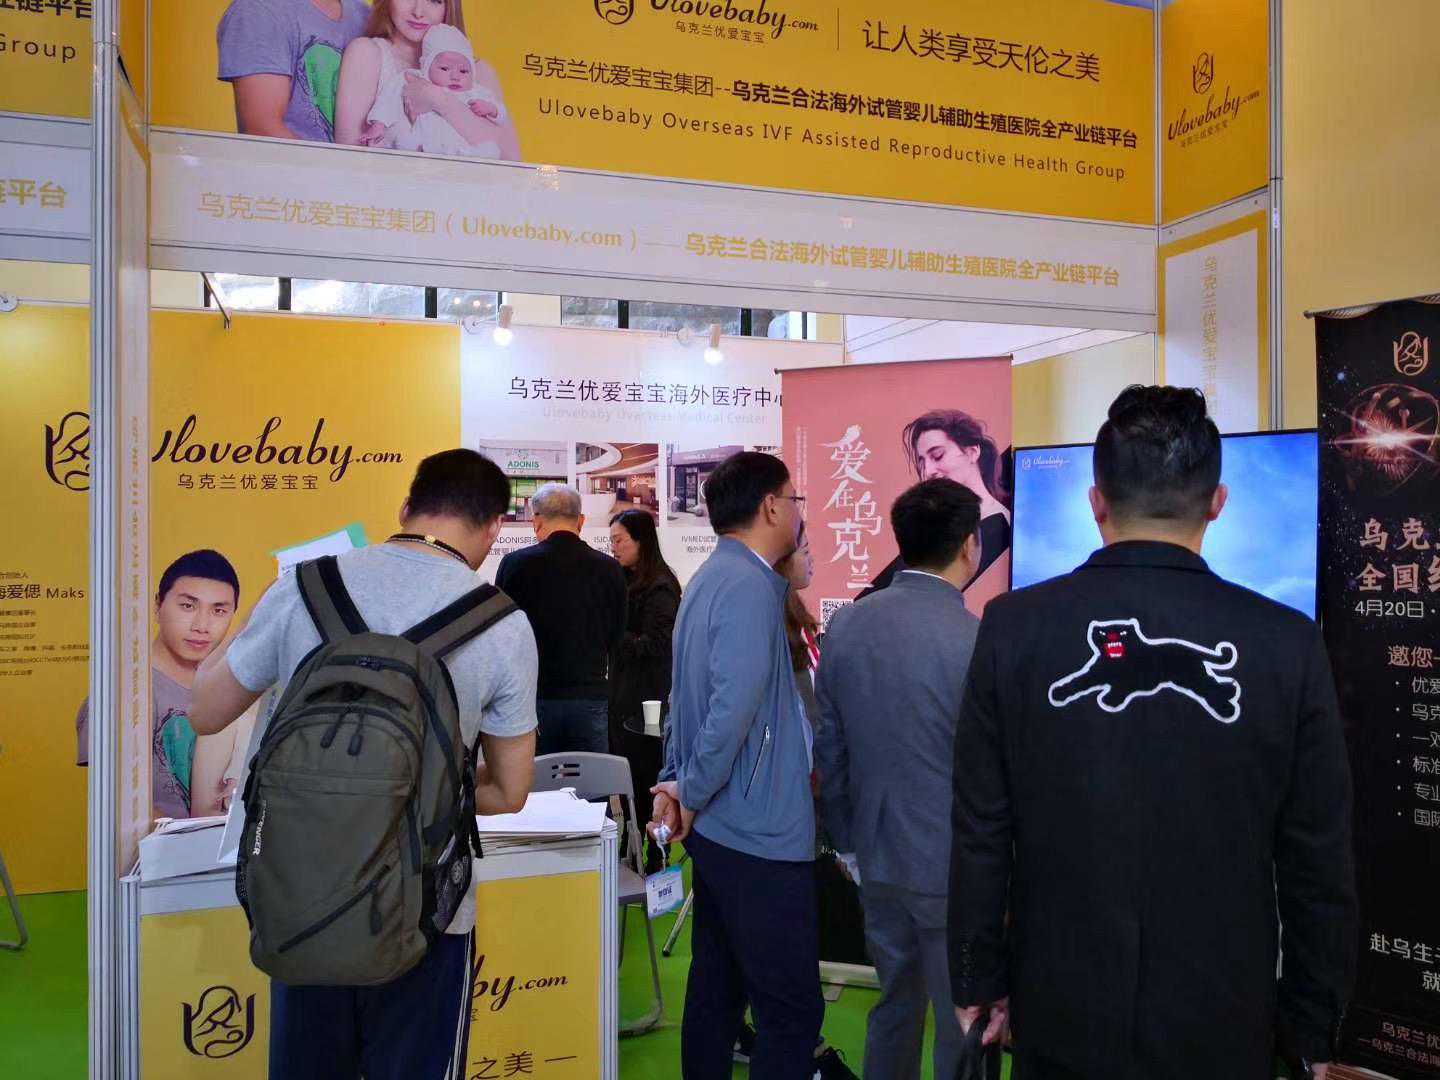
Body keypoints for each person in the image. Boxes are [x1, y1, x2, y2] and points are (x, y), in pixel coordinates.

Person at [949, 386, 1357, 1080]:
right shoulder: (1286, 643)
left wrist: (977, 978)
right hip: (1224, 1010)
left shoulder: (1013, 628)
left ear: (1096, 502)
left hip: (1060, 999)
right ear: (1217, 502)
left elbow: (982, 827)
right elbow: (1318, 858)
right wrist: (1313, 1025)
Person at [188, 448, 539, 1080]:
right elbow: (511, 791)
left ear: (405, 508)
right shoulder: (502, 623)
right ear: (493, 529)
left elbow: (205, 711)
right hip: (425, 911)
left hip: (300, 894)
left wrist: (268, 611)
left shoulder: (304, 586)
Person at [649, 451, 824, 1080]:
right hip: (757, 831)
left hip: (725, 826)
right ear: (772, 507)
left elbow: (682, 699)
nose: (798, 514)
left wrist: (677, 784)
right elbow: (731, 709)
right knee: (790, 1011)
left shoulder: (710, 577)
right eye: (795, 501)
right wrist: (689, 789)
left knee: (717, 990)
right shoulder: (748, 586)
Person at [814, 479, 983, 1080]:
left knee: (895, 1001)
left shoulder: (846, 626)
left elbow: (830, 751)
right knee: (963, 1018)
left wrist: (846, 844)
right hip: (952, 865)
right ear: (970, 545)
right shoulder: (976, 638)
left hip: (875, 852)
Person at [730, 522, 858, 1080]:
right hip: (784, 809)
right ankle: (798, 1051)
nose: (812, 559)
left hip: (794, 803)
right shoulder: (776, 633)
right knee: (779, 944)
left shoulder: (797, 626)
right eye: (803, 550)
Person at [77, 549, 242, 819]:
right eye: (188, 606)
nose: (202, 625)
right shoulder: (122, 694)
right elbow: (116, 809)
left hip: (225, 844)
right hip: (160, 846)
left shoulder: (234, 689)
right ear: (157, 606)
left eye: (218, 611)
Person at [497, 483, 627, 756]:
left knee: (537, 778)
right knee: (591, 777)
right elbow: (617, 635)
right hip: (589, 696)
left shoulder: (515, 565)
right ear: (581, 521)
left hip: (533, 697)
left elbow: (502, 635)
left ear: (536, 522)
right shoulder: (611, 569)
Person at [335, 0, 519, 157]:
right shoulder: (367, 53)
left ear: (449, 6)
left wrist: (438, 100)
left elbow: (512, 161)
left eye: (433, 0)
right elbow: (348, 158)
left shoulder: (479, 71)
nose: (418, 12)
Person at [859, 409, 1011, 599]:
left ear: (972, 452)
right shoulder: (925, 528)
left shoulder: (997, 524)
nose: (929, 471)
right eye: (922, 462)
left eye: (938, 455)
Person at [608, 509, 681, 843]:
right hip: (623, 692)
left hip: (649, 698)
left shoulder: (661, 586)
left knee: (645, 770)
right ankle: (631, 838)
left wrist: (613, 635)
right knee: (625, 771)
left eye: (619, 540)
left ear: (641, 541)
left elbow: (657, 644)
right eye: (611, 541)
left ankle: (651, 847)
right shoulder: (623, 580)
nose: (614, 547)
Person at [218, 0, 371, 142]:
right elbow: (263, 129)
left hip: (358, 163)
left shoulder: (366, 15)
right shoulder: (259, 10)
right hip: (289, 163)